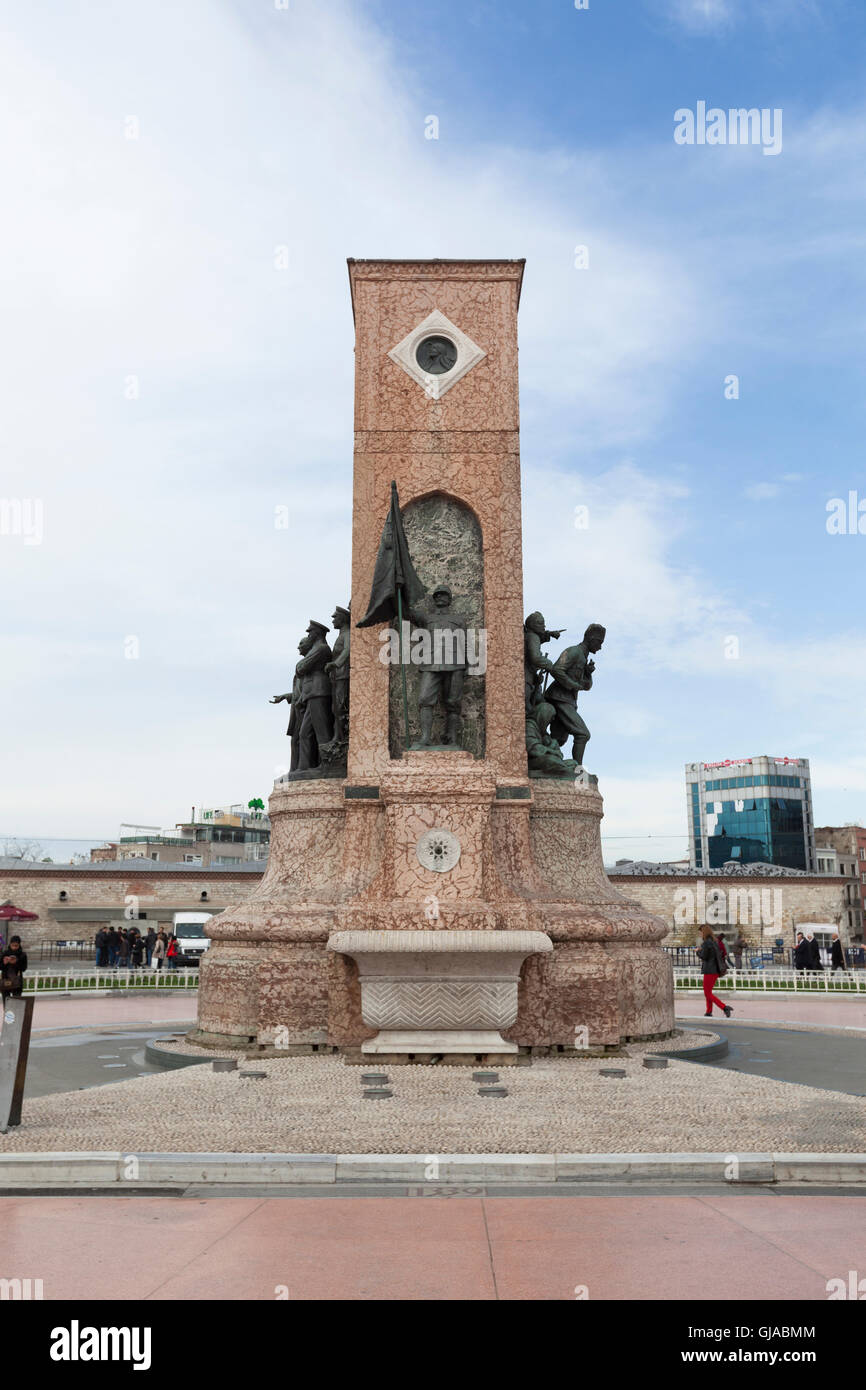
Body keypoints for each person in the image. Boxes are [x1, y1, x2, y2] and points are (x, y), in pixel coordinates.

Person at [697, 925, 733, 1018]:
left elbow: (704, 956)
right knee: (708, 992)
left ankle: (724, 1007)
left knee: (707, 993)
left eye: (700, 932)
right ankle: (708, 1012)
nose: (699, 934)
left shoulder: (706, 943)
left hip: (709, 970)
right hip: (715, 970)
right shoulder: (714, 941)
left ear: (704, 932)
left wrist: (697, 951)